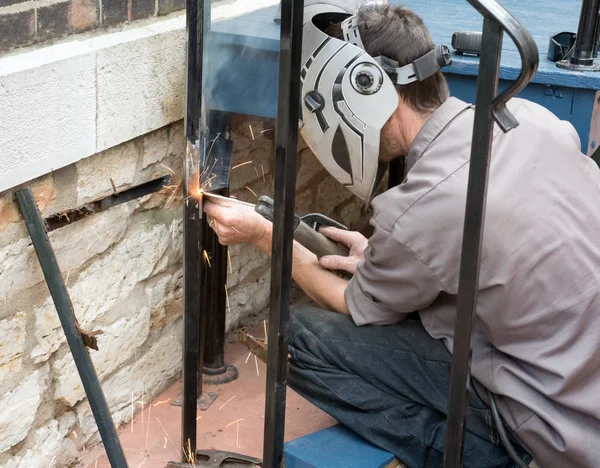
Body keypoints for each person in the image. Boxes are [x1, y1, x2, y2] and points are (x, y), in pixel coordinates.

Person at [203, 3, 600, 467]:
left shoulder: (424, 204)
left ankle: (491, 454)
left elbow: (355, 304)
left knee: (299, 335)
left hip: (553, 424)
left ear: (365, 90)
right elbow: (487, 248)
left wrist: (266, 236)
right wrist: (386, 256)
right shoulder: (530, 120)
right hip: (583, 376)